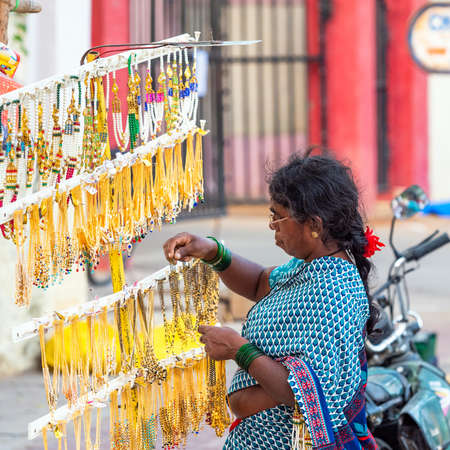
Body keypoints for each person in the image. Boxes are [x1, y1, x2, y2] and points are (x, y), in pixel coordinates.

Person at [163, 152, 379, 449]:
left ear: (314, 225)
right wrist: (213, 252)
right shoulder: (311, 266)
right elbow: (259, 282)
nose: (272, 225)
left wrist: (239, 350)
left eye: (278, 215)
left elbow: (305, 394)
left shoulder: (334, 294)